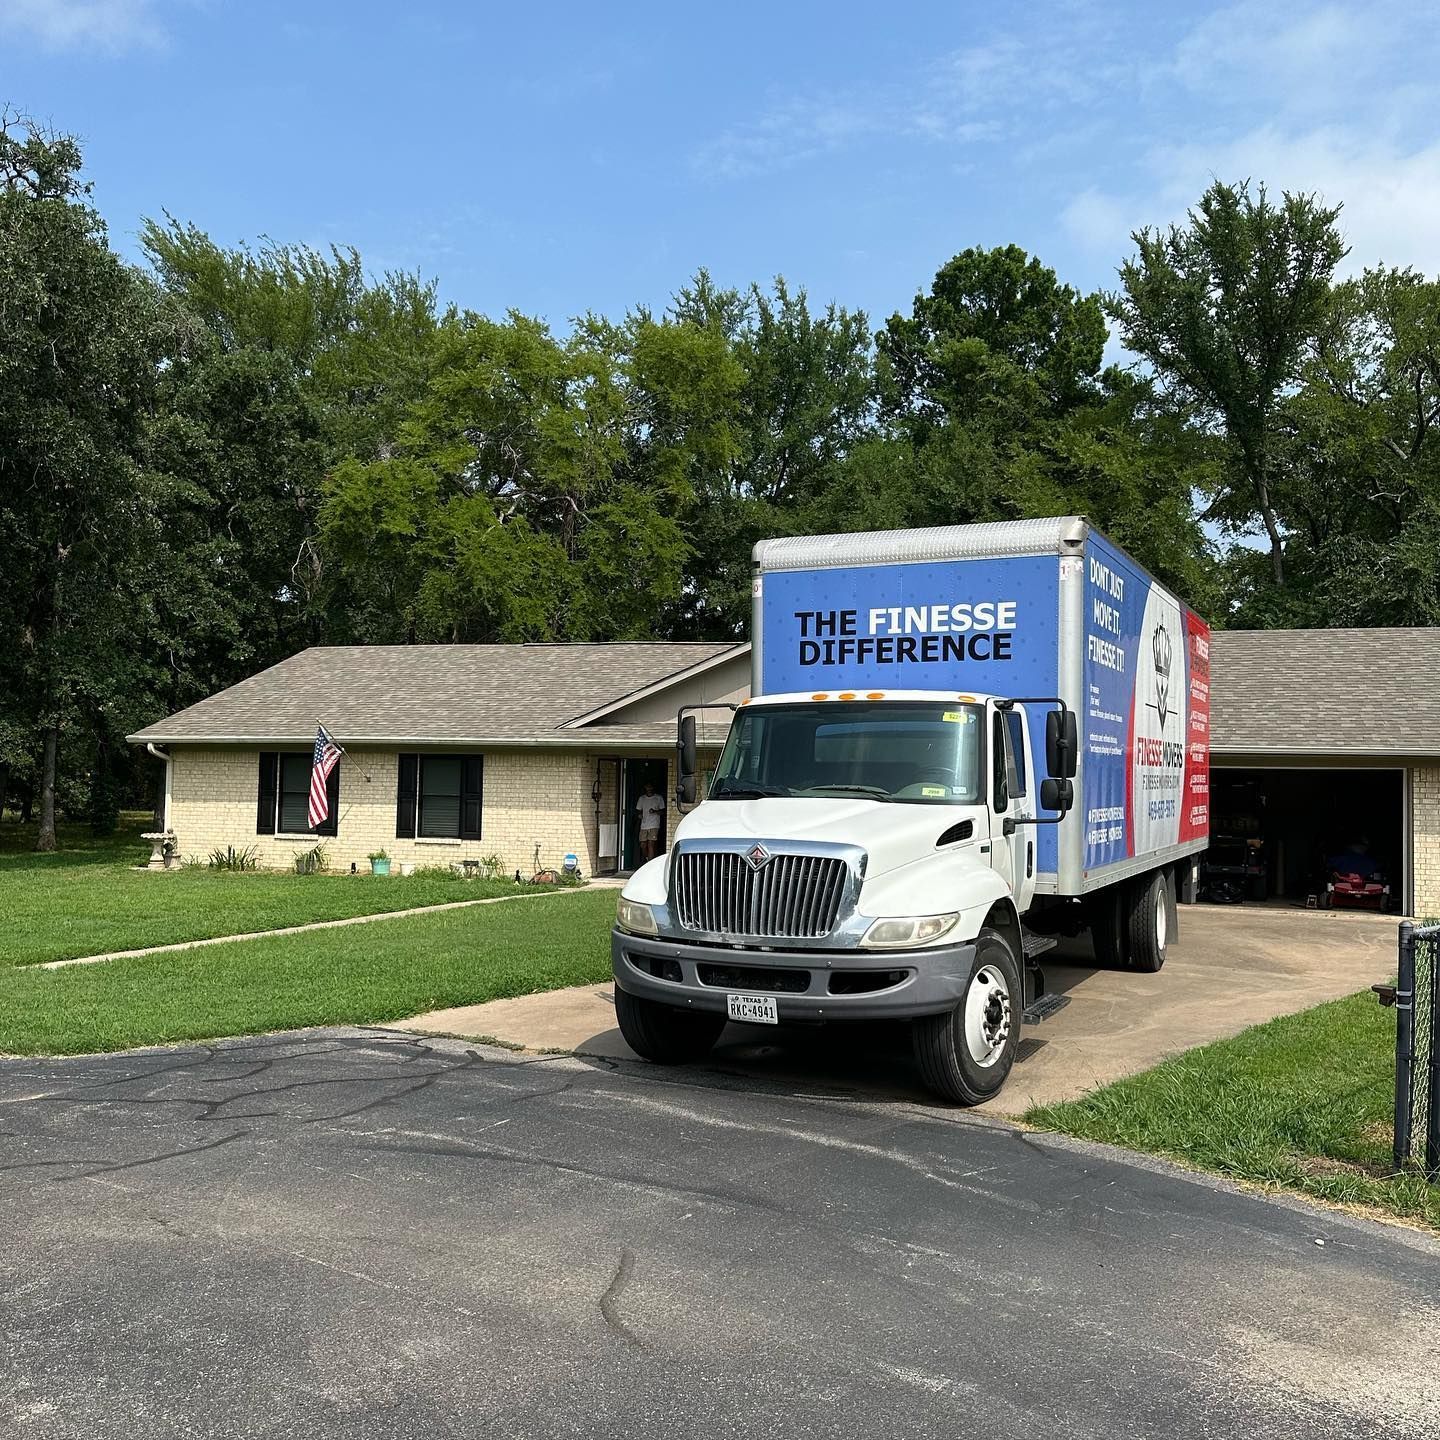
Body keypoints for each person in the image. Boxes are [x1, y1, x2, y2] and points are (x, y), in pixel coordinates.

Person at [635, 781, 666, 863]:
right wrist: (639, 815)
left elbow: (663, 812)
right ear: (645, 788)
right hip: (644, 825)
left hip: (654, 824)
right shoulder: (642, 798)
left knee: (651, 844)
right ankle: (647, 858)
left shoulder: (658, 798)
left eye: (650, 787)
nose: (649, 789)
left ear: (653, 788)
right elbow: (638, 810)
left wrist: (655, 811)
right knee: (643, 845)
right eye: (647, 787)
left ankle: (650, 863)